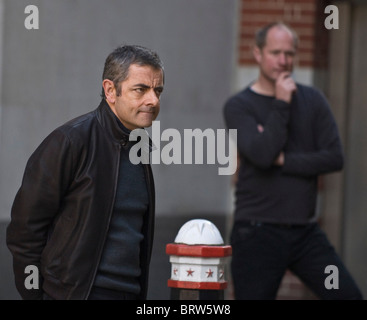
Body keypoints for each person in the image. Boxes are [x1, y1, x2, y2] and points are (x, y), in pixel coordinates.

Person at [6, 45, 165, 300]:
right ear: (110, 90)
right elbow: (24, 232)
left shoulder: (140, 146)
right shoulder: (69, 141)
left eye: (158, 90)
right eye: (141, 89)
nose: (153, 100)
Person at [223, 22, 363, 300]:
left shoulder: (313, 100)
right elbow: (263, 155)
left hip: (305, 233)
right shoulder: (239, 106)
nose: (283, 61)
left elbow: (334, 157)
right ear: (258, 53)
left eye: (289, 53)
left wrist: (284, 160)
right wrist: (282, 102)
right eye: (275, 52)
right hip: (256, 232)